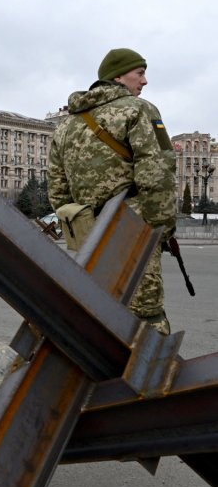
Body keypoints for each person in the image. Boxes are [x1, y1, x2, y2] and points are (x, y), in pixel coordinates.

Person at [48, 48, 177, 334]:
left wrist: (79, 226)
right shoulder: (138, 110)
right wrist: (162, 228)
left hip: (88, 233)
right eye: (139, 73)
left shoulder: (67, 125)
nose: (144, 82)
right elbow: (156, 174)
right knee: (145, 314)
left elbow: (57, 189)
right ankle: (147, 375)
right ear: (117, 76)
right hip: (133, 226)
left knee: (98, 308)